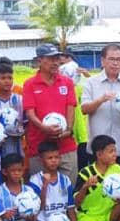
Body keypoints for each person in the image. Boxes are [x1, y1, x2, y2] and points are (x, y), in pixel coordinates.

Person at [23, 44, 79, 181]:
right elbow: (30, 113)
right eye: (51, 58)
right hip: (39, 147)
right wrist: (44, 128)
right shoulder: (30, 84)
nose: (56, 62)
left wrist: (68, 130)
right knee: (41, 190)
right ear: (39, 60)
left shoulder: (67, 82)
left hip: (65, 145)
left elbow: (71, 108)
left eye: (57, 58)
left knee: (68, 189)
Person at [81, 44, 120, 170]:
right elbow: (84, 109)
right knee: (98, 187)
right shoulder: (91, 82)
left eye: (119, 59)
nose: (115, 63)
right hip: (98, 149)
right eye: (112, 59)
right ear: (103, 61)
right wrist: (101, 100)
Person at [28, 141, 78, 221]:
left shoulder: (65, 180)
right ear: (41, 159)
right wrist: (45, 185)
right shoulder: (34, 181)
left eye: (56, 157)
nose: (54, 160)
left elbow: (70, 207)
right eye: (50, 158)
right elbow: (39, 207)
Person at [0, 58, 25, 158]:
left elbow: (26, 122)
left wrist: (20, 130)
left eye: (10, 78)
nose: (7, 81)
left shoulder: (20, 99)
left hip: (17, 145)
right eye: (3, 78)